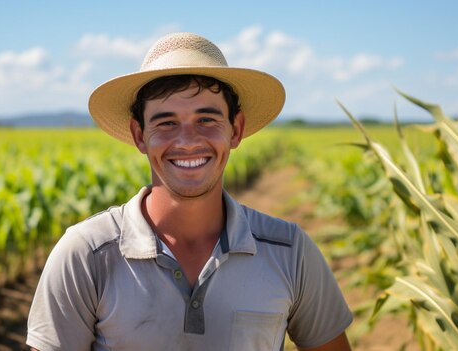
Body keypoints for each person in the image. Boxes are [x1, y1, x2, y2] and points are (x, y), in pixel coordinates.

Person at [27, 32, 353, 351]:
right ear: (139, 135)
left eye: (206, 119)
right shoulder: (87, 254)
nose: (187, 140)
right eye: (166, 123)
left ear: (235, 130)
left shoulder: (290, 251)